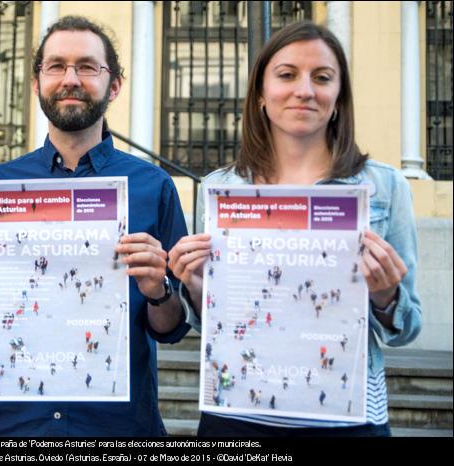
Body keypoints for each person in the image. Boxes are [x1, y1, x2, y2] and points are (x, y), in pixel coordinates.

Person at [168, 21, 421, 437]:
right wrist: (195, 285)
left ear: (339, 99)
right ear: (261, 96)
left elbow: (407, 328)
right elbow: (211, 321)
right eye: (286, 75)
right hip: (237, 413)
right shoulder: (221, 189)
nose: (304, 90)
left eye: (322, 78)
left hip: (348, 418)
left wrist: (385, 295)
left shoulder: (384, 187)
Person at [0, 16, 191, 437]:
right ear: (37, 82)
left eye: (87, 67)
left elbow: (172, 327)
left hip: (115, 427)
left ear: (114, 85)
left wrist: (158, 291)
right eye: (56, 66)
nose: (70, 79)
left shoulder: (154, 186)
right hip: (8, 426)